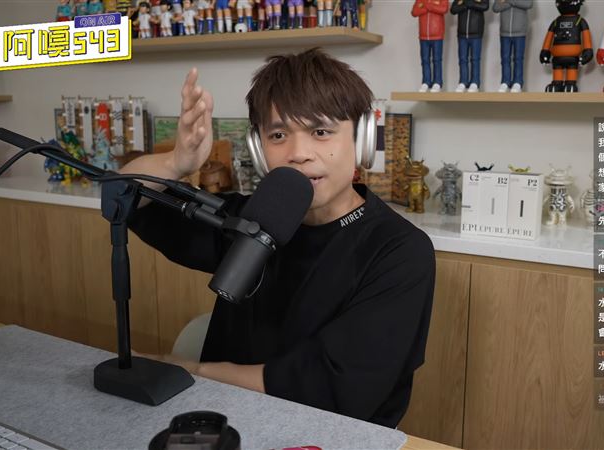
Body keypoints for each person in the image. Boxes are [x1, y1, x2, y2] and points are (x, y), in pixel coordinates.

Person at [122, 48, 436, 428]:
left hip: (330, 433)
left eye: (321, 132)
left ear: (363, 138)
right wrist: (176, 162)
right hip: (228, 419)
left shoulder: (400, 251)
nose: (299, 154)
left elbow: (333, 390)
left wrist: (194, 370)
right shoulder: (250, 217)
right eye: (278, 134)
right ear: (259, 148)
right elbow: (124, 199)